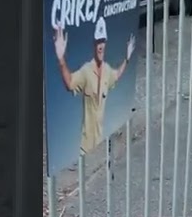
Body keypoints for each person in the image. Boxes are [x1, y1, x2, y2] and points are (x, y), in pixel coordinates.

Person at [54, 16, 136, 156]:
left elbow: (116, 75)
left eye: (102, 41)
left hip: (100, 145)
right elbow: (69, 84)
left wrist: (127, 60)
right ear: (94, 44)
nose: (100, 45)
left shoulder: (107, 71)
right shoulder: (86, 70)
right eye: (98, 41)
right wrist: (61, 59)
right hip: (85, 148)